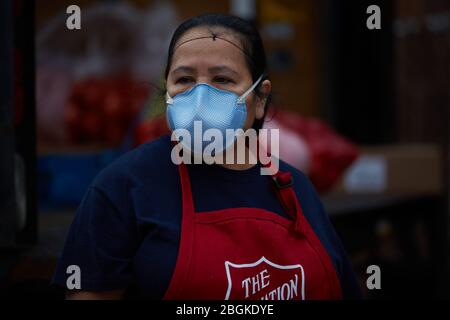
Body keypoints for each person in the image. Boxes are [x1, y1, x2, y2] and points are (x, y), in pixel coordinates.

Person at [52, 13, 361, 300]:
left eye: (222, 80)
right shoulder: (121, 188)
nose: (200, 97)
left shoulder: (295, 189)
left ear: (259, 99)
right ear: (167, 92)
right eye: (184, 79)